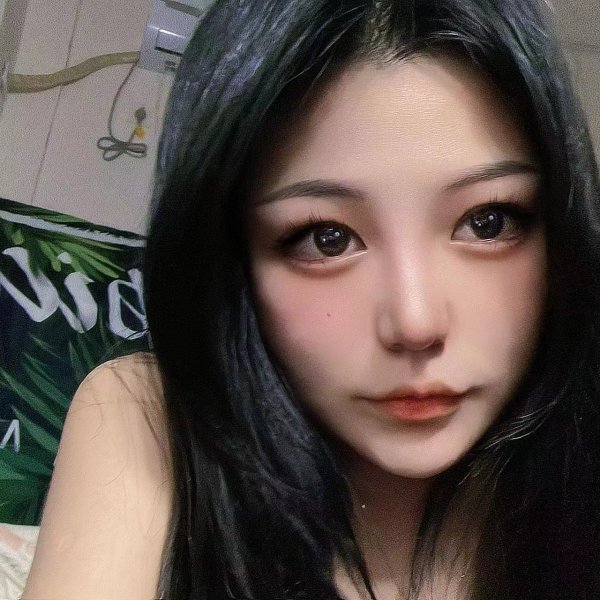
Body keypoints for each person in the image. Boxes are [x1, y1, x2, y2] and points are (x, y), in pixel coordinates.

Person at [22, 0, 600, 598]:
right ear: (232, 259)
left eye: (487, 223)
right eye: (327, 239)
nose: (415, 321)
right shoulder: (149, 417)